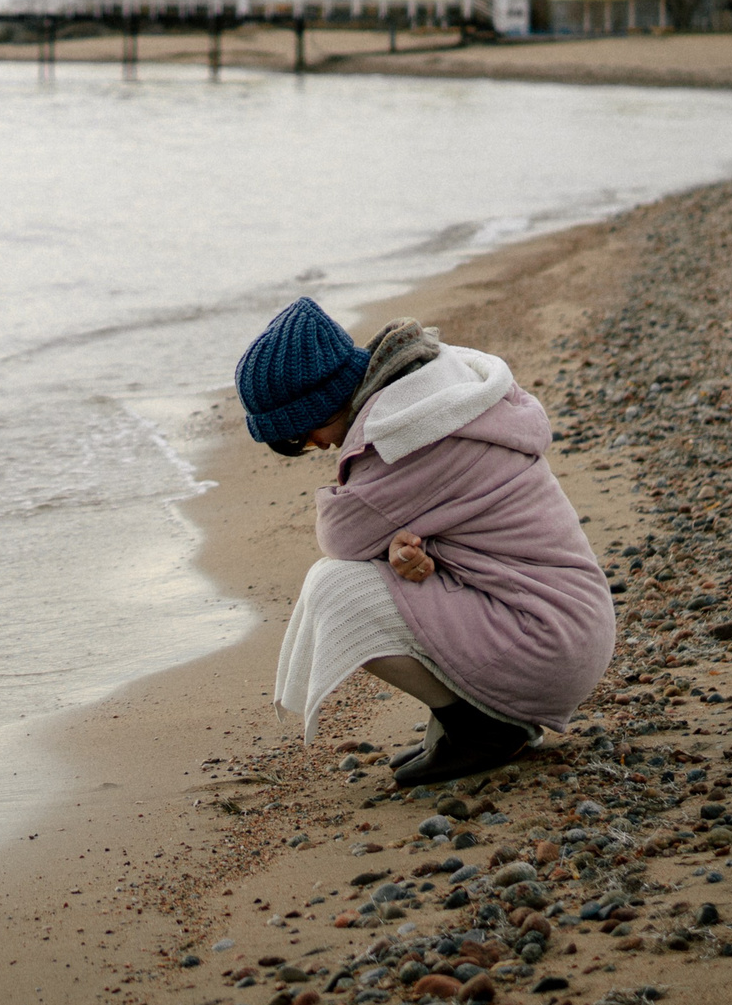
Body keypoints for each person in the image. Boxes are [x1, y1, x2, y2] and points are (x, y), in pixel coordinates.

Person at [235, 297, 614, 788]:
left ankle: (485, 728)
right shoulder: (437, 392)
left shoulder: (404, 434)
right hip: (568, 622)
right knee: (366, 575)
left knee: (334, 588)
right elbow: (457, 516)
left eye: (304, 436)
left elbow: (341, 536)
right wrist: (402, 544)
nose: (319, 447)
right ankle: (473, 721)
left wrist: (384, 535)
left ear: (325, 400)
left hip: (546, 641)